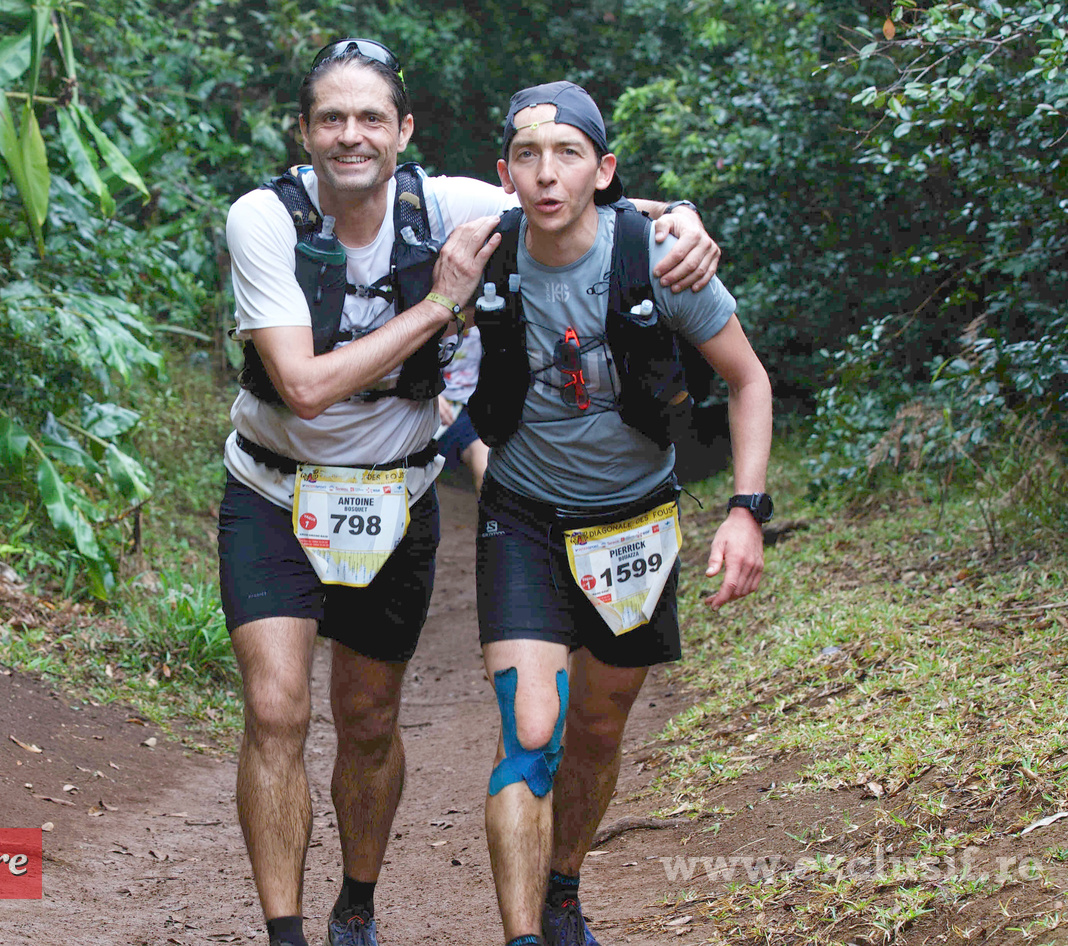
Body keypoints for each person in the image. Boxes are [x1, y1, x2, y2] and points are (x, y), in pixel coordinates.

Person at [218, 39, 723, 946]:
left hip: (394, 495)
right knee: (276, 706)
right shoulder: (265, 218)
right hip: (272, 488)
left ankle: (357, 905)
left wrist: (679, 218)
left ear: (403, 131)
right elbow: (301, 385)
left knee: (367, 717)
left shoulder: (447, 204)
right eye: (330, 118)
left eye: (371, 117)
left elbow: (573, 203)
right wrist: (440, 305)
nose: (351, 135)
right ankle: (285, 932)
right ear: (303, 132)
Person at [469, 81, 773, 946]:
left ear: (602, 170)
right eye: (527, 156)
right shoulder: (483, 250)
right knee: (533, 727)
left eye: (567, 154)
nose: (546, 173)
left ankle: (563, 890)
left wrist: (746, 510)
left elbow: (749, 382)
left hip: (634, 524)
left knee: (598, 729)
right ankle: (523, 934)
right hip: (524, 515)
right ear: (504, 173)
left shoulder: (660, 259)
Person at [434, 326, 490, 494]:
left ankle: (487, 520)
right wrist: (432, 394)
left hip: (468, 411)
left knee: (485, 468)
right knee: (423, 479)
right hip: (431, 407)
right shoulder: (437, 324)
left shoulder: (483, 328)